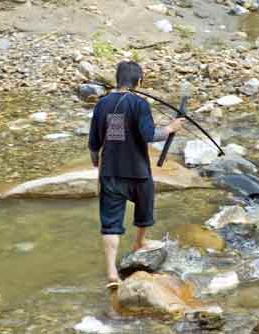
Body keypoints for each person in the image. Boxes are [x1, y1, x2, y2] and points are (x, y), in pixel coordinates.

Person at [88, 61, 185, 290]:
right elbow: (149, 135)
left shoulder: (102, 104)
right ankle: (139, 243)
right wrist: (170, 128)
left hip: (110, 172)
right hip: (137, 171)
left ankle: (112, 273)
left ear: (117, 79)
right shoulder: (140, 104)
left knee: (111, 222)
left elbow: (95, 143)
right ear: (139, 82)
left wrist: (96, 162)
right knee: (145, 206)